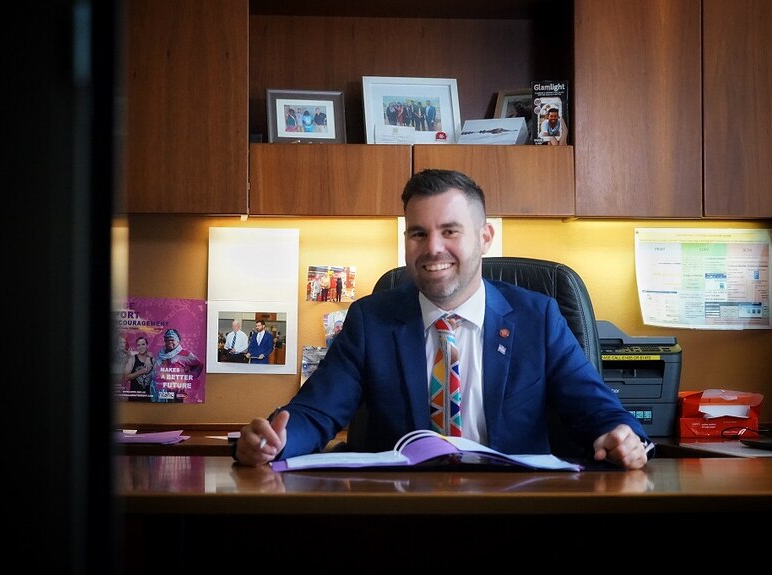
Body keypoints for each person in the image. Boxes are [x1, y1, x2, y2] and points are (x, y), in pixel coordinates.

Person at [235, 169, 653, 470]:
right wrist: (276, 442)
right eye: (418, 233)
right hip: (401, 511)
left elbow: (597, 410)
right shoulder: (371, 320)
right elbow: (315, 413)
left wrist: (620, 436)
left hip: (517, 510)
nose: (433, 248)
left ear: (484, 237)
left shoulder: (537, 317)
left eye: (450, 231)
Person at [150, 328, 203, 402]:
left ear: (177, 340)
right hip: (161, 388)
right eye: (167, 340)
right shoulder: (161, 353)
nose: (169, 342)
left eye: (172, 340)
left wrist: (189, 377)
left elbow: (199, 365)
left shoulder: (184, 354)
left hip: (176, 390)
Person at [124, 335, 154, 401]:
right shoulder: (132, 359)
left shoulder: (152, 359)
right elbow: (126, 377)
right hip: (135, 397)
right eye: (138, 345)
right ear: (136, 347)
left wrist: (148, 357)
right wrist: (140, 372)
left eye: (143, 344)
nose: (141, 347)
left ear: (147, 345)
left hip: (150, 397)